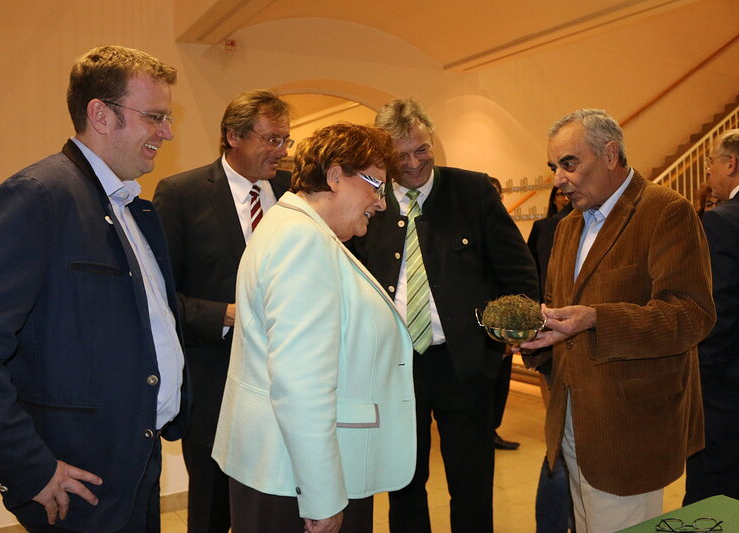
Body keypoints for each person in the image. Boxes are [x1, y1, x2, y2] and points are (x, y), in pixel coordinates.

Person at [0, 45, 188, 532]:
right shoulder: (38, 196)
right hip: (76, 481)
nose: (168, 132)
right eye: (155, 117)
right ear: (100, 114)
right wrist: (27, 468)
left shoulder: (136, 210)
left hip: (136, 459)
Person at [212, 123, 416, 533]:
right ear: (336, 175)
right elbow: (300, 384)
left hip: (290, 470)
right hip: (298, 479)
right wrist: (322, 495)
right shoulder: (303, 242)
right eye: (376, 185)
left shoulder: (299, 230)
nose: (379, 203)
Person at [518, 108, 716, 532]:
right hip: (571, 417)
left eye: (569, 164)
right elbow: (562, 308)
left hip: (630, 429)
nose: (558, 178)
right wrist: (541, 334)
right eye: (554, 167)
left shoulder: (665, 212)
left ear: (610, 155)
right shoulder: (568, 227)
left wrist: (596, 320)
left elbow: (690, 315)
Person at [351, 98, 539, 532]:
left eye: (422, 149)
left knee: (472, 484)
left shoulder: (472, 192)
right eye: (401, 155)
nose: (414, 163)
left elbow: (518, 271)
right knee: (404, 483)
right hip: (394, 367)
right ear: (382, 157)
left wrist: (506, 333)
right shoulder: (368, 202)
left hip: (466, 368)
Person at [153, 89, 292, 533]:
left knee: (280, 504)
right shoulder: (181, 194)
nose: (281, 151)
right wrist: (227, 315)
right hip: (216, 382)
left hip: (289, 382)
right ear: (233, 135)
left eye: (286, 140)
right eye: (271, 139)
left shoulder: (294, 195)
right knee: (214, 509)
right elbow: (159, 299)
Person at [684, 129, 739, 505]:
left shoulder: (721, 222)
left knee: (711, 496)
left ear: (731, 164)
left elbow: (719, 314)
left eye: (711, 163)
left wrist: (699, 384)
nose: (708, 173)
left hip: (725, 392)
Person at [526, 185, 575, 533]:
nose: (562, 190)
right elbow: (533, 275)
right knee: (558, 445)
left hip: (579, 341)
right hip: (551, 339)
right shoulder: (548, 228)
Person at [489, 176, 522, 451]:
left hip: (503, 326)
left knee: (501, 386)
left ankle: (491, 431)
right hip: (480, 328)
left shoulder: (506, 232)